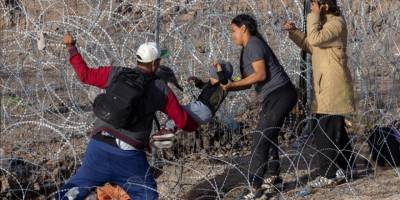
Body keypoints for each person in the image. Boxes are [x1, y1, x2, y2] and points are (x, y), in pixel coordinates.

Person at [56, 33, 199, 200]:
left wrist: (71, 48)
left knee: (73, 190)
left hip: (98, 145)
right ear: (155, 63)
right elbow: (183, 121)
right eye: (159, 61)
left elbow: (85, 75)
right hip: (128, 155)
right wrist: (195, 122)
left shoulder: (116, 73)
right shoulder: (161, 89)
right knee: (147, 194)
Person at [222, 14, 298, 199]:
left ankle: (255, 186)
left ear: (244, 29)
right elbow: (249, 81)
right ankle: (273, 177)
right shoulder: (248, 48)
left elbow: (261, 75)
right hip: (276, 95)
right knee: (268, 135)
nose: (232, 35)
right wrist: (228, 85)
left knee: (261, 137)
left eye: (234, 31)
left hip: (280, 93)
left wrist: (232, 85)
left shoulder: (254, 44)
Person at [283, 0, 355, 188]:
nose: (311, 9)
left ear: (324, 5)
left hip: (333, 86)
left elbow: (315, 39)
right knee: (333, 128)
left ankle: (329, 174)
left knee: (325, 131)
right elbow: (311, 45)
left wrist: (313, 16)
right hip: (326, 86)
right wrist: (294, 32)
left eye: (314, 5)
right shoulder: (325, 26)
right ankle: (346, 167)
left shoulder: (336, 23)